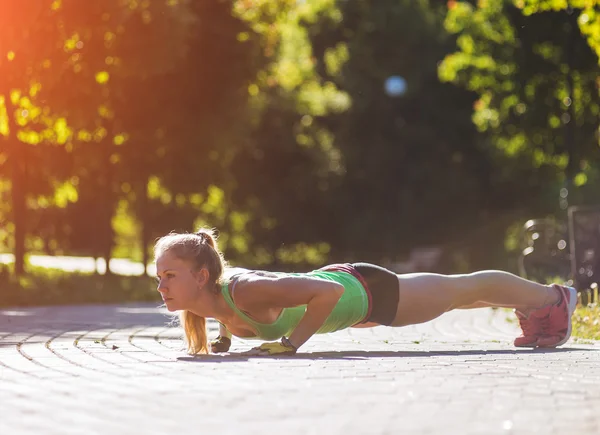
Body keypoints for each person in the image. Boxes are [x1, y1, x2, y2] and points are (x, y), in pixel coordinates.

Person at [154, 228, 578, 356]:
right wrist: (225, 339)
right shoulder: (211, 305)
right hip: (359, 300)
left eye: (170, 275)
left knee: (464, 289)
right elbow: (229, 317)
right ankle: (539, 308)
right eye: (160, 277)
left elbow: (325, 293)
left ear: (202, 276)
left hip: (363, 291)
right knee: (463, 298)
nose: (162, 286)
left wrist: (290, 345)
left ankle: (554, 300)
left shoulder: (246, 290)